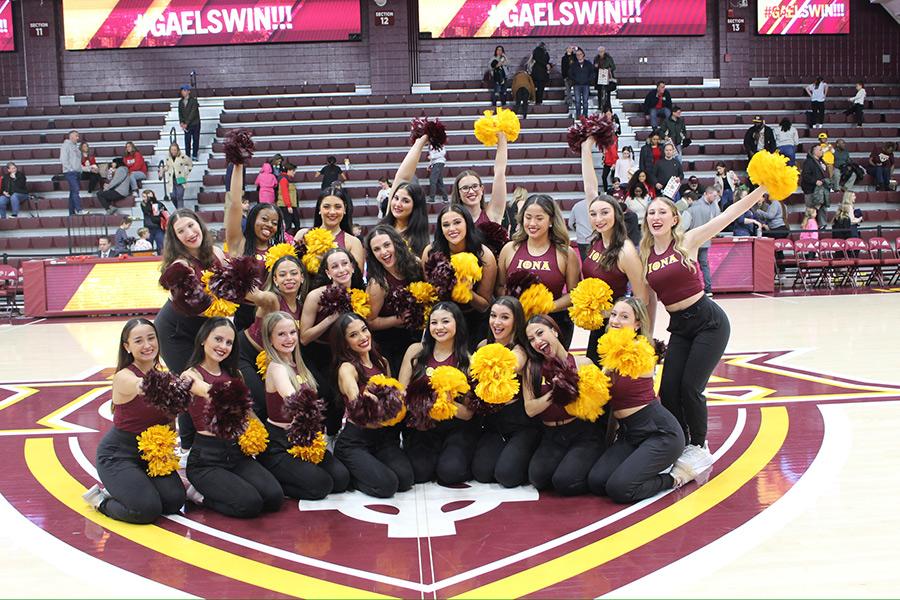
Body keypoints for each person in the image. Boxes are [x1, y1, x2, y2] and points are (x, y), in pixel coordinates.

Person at [640, 184, 771, 474]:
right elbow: (648, 302)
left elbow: (728, 214)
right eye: (651, 212)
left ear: (674, 218)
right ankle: (679, 443)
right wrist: (646, 339)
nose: (656, 216)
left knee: (691, 387)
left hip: (709, 322)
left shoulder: (687, 240)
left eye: (662, 211)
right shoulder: (645, 256)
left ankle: (700, 445)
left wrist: (760, 189)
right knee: (669, 390)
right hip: (680, 327)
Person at [587, 298, 695, 503]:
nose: (616, 321)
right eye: (614, 315)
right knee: (597, 482)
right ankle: (644, 463)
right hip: (630, 434)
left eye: (624, 316)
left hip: (661, 434)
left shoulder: (641, 350)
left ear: (637, 324)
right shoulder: (609, 352)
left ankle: (675, 477)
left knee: (619, 489)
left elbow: (615, 379)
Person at [82, 319, 187, 523]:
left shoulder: (164, 376)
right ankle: (101, 500)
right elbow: (143, 385)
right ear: (127, 347)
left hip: (150, 455)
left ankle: (131, 488)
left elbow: (170, 423)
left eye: (151, 338)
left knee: (174, 502)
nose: (147, 345)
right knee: (145, 510)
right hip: (118, 455)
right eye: (139, 341)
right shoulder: (124, 377)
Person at [182, 318, 284, 517]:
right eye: (218, 339)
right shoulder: (190, 375)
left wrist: (260, 432)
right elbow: (207, 391)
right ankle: (199, 495)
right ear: (203, 339)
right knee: (249, 504)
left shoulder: (235, 373)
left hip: (237, 454)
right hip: (206, 460)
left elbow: (248, 412)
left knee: (273, 497)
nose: (223, 346)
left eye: (229, 342)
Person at [256, 311, 350, 500]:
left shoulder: (299, 364)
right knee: (321, 486)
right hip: (279, 444)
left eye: (292, 332)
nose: (289, 338)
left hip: (304, 440)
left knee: (341, 479)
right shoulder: (277, 367)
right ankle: (272, 478)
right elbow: (293, 398)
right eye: (281, 334)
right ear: (270, 339)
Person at [155, 209, 227, 450]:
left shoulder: (216, 253)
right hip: (175, 331)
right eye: (180, 231)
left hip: (203, 330)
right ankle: (187, 446)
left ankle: (210, 438)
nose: (189, 233)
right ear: (175, 238)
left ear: (200, 225)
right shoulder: (180, 266)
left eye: (190, 226)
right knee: (189, 382)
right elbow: (198, 306)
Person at [580, 138, 649, 362]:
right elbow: (590, 189)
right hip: (598, 326)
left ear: (616, 215)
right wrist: (586, 148)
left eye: (604, 213)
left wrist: (611, 316)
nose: (598, 219)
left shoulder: (625, 250)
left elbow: (642, 297)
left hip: (617, 328)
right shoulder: (596, 241)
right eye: (593, 214)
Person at [333, 313, 414, 498]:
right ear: (345, 343)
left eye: (364, 330)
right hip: (356, 440)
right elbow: (356, 405)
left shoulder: (382, 362)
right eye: (353, 335)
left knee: (406, 479)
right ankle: (349, 467)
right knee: (388, 486)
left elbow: (392, 400)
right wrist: (367, 400)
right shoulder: (347, 368)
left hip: (382, 438)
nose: (362, 337)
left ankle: (369, 465)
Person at [400, 302, 479, 484]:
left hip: (456, 428)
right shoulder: (415, 351)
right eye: (434, 323)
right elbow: (401, 395)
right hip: (422, 427)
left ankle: (460, 455)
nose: (439, 327)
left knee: (450, 473)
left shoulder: (468, 360)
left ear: (457, 324)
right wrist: (422, 401)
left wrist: (445, 402)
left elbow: (468, 414)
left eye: (445, 321)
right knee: (419, 474)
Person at [523, 315, 601, 495]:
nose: (537, 341)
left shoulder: (583, 363)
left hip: (582, 432)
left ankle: (592, 464)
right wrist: (555, 392)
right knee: (538, 478)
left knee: (564, 482)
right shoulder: (532, 368)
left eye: (540, 333)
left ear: (555, 332)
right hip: (551, 435)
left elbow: (602, 402)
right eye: (532, 339)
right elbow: (530, 409)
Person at [471, 297, 540, 487]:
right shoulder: (482, 345)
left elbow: (512, 364)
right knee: (481, 473)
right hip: (493, 424)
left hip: (520, 425)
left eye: (504, 317)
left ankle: (532, 453)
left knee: (507, 476)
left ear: (516, 321)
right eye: (493, 316)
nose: (497, 322)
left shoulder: (520, 351)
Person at [497, 195, 581, 349]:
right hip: (516, 323)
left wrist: (545, 306)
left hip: (554, 324)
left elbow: (574, 295)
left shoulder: (566, 253)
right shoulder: (509, 249)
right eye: (528, 217)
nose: (532, 223)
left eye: (539, 218)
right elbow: (499, 286)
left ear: (551, 221)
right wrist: (518, 305)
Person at [300, 248, 366, 435]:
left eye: (345, 264)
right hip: (316, 352)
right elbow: (304, 338)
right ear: (328, 273)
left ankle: (337, 435)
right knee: (328, 394)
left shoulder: (359, 294)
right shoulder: (316, 296)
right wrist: (331, 318)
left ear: (353, 267)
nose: (341, 269)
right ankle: (322, 437)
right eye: (334, 266)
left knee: (342, 396)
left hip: (344, 353)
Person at [238, 254, 308, 420]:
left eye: (293, 273)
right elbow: (258, 296)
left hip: (275, 358)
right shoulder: (273, 300)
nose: (288, 278)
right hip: (246, 354)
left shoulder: (302, 306)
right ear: (275, 280)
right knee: (261, 403)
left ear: (302, 277)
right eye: (282, 275)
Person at [423, 205, 498, 348]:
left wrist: (467, 292)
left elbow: (484, 305)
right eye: (446, 225)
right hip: (441, 320)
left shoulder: (484, 255)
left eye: (457, 222)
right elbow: (431, 295)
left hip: (474, 321)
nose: (452, 229)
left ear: (467, 224)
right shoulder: (430, 252)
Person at [365, 225, 425, 377]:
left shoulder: (416, 264)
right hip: (392, 345)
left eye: (387, 245)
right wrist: (397, 320)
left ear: (396, 244)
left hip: (420, 335)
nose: (383, 252)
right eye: (377, 249)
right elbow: (370, 322)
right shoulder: (378, 284)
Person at [380, 136, 433, 256]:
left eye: (405, 201)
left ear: (415, 206)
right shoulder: (387, 225)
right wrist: (420, 142)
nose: (398, 204)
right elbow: (402, 177)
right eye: (396, 198)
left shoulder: (421, 240)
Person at [449, 132, 509, 227]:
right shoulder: (452, 221)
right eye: (465, 188)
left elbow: (500, 172)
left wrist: (502, 137)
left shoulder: (492, 215)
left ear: (481, 189)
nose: (471, 191)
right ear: (458, 193)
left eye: (475, 186)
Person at [298, 186, 365, 268]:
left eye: (338, 207)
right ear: (319, 209)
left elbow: (356, 278)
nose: (332, 212)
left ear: (345, 209)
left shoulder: (353, 243)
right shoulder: (303, 235)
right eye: (326, 207)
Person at [685, 187, 721, 295]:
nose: (715, 198)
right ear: (707, 194)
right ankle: (708, 288)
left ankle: (692, 288)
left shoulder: (692, 207)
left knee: (690, 265)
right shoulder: (710, 209)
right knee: (704, 265)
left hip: (692, 242)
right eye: (714, 196)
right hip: (704, 241)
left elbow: (684, 225)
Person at [801, 145, 830, 230]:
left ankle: (822, 224)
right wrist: (815, 181)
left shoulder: (822, 161)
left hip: (821, 189)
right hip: (811, 189)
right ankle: (809, 227)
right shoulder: (808, 162)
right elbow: (805, 175)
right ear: (814, 151)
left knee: (822, 206)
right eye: (820, 150)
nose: (822, 151)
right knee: (811, 208)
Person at [159, 143, 191, 209]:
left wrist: (186, 173)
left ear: (178, 150)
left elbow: (190, 164)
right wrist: (163, 170)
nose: (173, 151)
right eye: (172, 150)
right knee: (172, 196)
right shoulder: (168, 157)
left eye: (175, 150)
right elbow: (167, 167)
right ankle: (179, 209)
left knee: (179, 196)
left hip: (180, 178)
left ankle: (180, 211)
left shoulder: (183, 157)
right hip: (171, 179)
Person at [60, 130, 84, 215]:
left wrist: (86, 169)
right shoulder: (65, 145)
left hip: (77, 172)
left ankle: (71, 212)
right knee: (75, 190)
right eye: (76, 136)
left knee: (73, 192)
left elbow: (78, 163)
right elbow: (63, 159)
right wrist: (70, 169)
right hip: (71, 172)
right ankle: (79, 209)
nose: (78, 138)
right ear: (71, 136)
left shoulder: (76, 148)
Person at [570, 48, 594, 119]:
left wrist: (588, 80)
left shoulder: (588, 64)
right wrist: (575, 80)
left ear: (583, 55)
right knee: (577, 101)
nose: (579, 56)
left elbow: (592, 73)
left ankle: (585, 116)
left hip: (586, 85)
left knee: (585, 101)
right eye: (577, 55)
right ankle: (578, 116)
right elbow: (570, 74)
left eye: (580, 54)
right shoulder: (573, 64)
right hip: (576, 85)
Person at [178, 85, 201, 161]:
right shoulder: (180, 102)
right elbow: (180, 113)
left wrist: (186, 123)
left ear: (189, 91)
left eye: (185, 90)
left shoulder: (193, 101)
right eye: (182, 90)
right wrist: (181, 122)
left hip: (195, 123)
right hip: (186, 125)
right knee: (187, 140)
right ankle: (187, 155)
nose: (183, 92)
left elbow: (193, 113)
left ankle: (194, 155)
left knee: (195, 139)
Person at [276, 161, 299, 234]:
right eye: (293, 171)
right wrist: (288, 205)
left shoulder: (286, 179)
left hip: (290, 205)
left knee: (295, 222)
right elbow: (285, 193)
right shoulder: (284, 179)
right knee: (289, 224)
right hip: (286, 205)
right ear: (288, 170)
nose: (294, 173)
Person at [593, 46, 616, 111]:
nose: (601, 53)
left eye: (602, 51)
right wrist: (595, 67)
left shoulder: (609, 58)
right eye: (600, 51)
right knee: (599, 93)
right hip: (599, 78)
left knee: (607, 94)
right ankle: (600, 107)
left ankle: (608, 109)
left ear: (604, 51)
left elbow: (613, 67)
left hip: (607, 78)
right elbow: (594, 68)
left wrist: (608, 69)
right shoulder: (596, 58)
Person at [561, 46, 577, 115]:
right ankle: (569, 101)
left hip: (574, 76)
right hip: (567, 76)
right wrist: (564, 76)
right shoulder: (564, 58)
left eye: (571, 48)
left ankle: (577, 101)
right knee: (568, 90)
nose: (570, 49)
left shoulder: (574, 57)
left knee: (576, 89)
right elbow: (563, 68)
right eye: (568, 48)